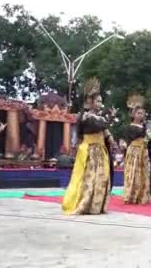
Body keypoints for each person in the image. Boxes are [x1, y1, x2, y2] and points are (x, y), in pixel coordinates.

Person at [62, 77, 116, 215]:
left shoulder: (101, 118)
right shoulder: (85, 117)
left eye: (101, 101)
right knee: (89, 178)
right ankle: (84, 204)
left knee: (102, 178)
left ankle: (96, 206)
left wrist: (111, 140)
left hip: (100, 151)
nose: (100, 103)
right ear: (90, 102)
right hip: (89, 150)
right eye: (98, 101)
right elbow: (96, 126)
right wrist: (110, 119)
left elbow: (104, 131)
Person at [121, 93, 151, 204]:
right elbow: (133, 137)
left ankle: (142, 195)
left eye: (142, 113)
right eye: (139, 113)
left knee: (144, 173)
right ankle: (131, 195)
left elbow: (147, 139)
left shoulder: (144, 127)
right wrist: (146, 132)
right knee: (133, 173)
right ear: (133, 114)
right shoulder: (130, 126)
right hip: (134, 152)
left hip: (143, 152)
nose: (141, 115)